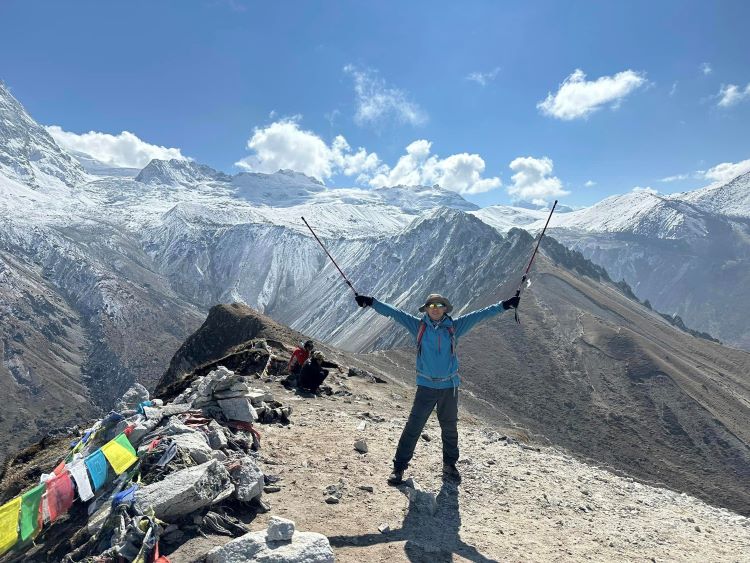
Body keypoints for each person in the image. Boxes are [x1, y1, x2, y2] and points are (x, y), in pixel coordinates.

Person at [354, 292, 519, 485]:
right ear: (426, 309)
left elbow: (480, 314)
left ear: (444, 309)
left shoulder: (455, 327)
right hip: (426, 386)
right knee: (413, 427)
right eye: (431, 306)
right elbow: (395, 313)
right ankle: (399, 468)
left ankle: (449, 465)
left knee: (449, 428)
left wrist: (505, 304)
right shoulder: (418, 326)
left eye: (439, 305)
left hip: (449, 386)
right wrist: (371, 302)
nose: (435, 308)